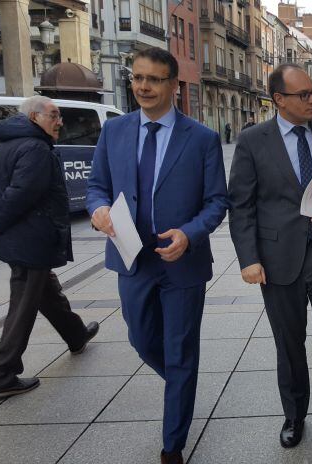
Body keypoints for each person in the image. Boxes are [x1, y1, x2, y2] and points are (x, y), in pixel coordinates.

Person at [86, 48, 228, 464]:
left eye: (153, 79)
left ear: (173, 85)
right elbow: (97, 185)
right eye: (137, 78)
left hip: (182, 263)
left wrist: (188, 234)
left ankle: (173, 444)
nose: (143, 87)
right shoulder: (114, 132)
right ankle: (181, 383)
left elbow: (217, 202)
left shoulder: (201, 138)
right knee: (140, 336)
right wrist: (98, 211)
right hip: (131, 259)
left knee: (181, 348)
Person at [228, 63, 312, 448]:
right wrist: (248, 258)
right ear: (279, 99)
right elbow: (241, 205)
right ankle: (295, 413)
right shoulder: (253, 140)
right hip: (276, 258)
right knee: (289, 342)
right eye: (303, 95)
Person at [0, 96, 99, 400]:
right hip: (30, 239)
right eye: (53, 115)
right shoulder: (35, 148)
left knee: (47, 292)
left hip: (21, 237)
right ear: (34, 117)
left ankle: (75, 335)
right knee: (23, 306)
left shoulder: (5, 144)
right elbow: (19, 195)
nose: (59, 121)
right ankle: (3, 374)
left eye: (59, 116)